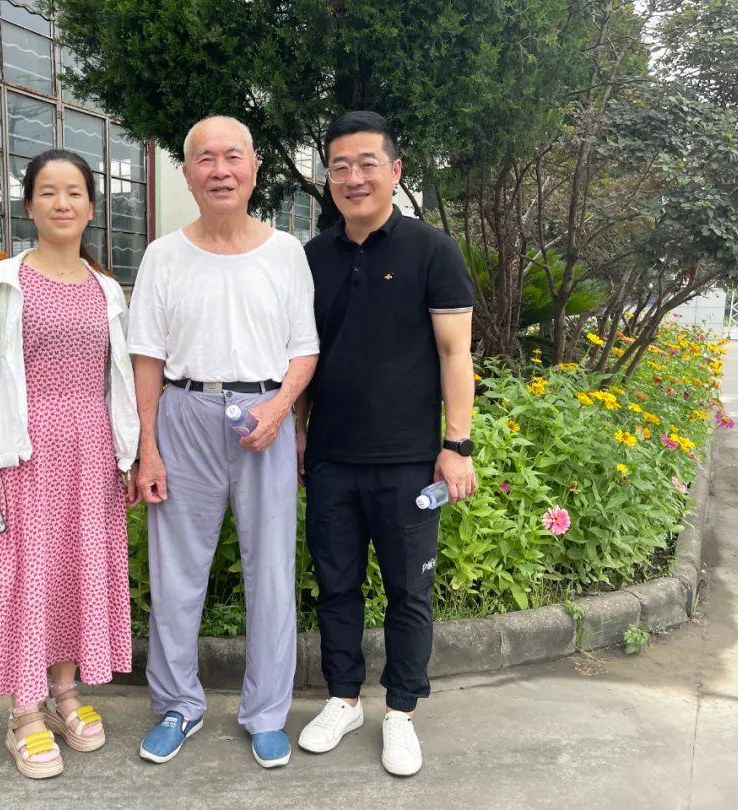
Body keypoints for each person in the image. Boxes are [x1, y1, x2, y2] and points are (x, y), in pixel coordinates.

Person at [127, 116, 319, 769]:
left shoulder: (286, 252)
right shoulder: (163, 255)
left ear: (255, 169)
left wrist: (282, 409)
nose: (220, 170)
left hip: (265, 414)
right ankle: (177, 705)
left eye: (232, 156)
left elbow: (304, 347)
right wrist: (148, 448)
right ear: (187, 174)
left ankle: (266, 713)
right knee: (176, 572)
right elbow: (147, 357)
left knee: (272, 571)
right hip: (184, 413)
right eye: (205, 159)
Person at [0, 148, 140, 780]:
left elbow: (117, 382)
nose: (62, 203)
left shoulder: (107, 291)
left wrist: (127, 455)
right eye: (48, 192)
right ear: (28, 205)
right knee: (25, 573)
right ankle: (23, 712)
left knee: (74, 571)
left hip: (90, 452)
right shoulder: (2, 284)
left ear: (92, 206)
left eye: (75, 192)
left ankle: (65, 693)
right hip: (23, 453)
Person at [294, 111, 476, 777]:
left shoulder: (432, 251)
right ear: (328, 179)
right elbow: (302, 354)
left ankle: (400, 712)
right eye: (339, 166)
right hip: (331, 458)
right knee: (336, 587)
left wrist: (457, 445)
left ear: (395, 172)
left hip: (408, 463)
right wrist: (299, 433)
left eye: (367, 163)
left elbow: (455, 354)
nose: (353, 177)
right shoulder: (312, 258)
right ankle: (343, 699)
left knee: (409, 592)